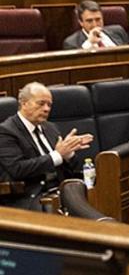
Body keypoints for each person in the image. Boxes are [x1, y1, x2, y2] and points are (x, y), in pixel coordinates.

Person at [0, 82, 92, 210]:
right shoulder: (6, 131)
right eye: (41, 103)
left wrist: (68, 154)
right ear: (24, 103)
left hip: (62, 190)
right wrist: (57, 155)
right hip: (31, 196)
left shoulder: (50, 128)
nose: (46, 109)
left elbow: (70, 170)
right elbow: (17, 169)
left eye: (49, 105)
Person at [62, 0, 129, 50]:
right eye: (89, 21)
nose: (95, 25)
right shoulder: (71, 43)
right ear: (81, 22)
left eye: (98, 19)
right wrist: (90, 43)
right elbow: (76, 64)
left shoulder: (118, 31)